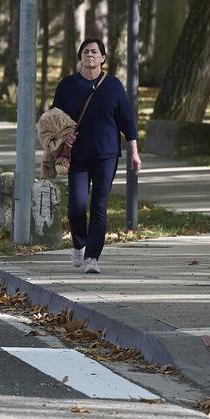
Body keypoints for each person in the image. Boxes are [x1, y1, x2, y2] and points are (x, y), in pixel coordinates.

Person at [50, 37, 140, 274]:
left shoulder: (113, 85)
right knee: (77, 207)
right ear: (80, 58)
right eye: (85, 51)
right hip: (77, 154)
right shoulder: (67, 85)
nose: (90, 55)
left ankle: (92, 257)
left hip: (106, 154)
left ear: (102, 58)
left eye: (94, 51)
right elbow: (54, 117)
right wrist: (62, 137)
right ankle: (79, 243)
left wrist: (134, 151)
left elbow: (126, 120)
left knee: (99, 206)